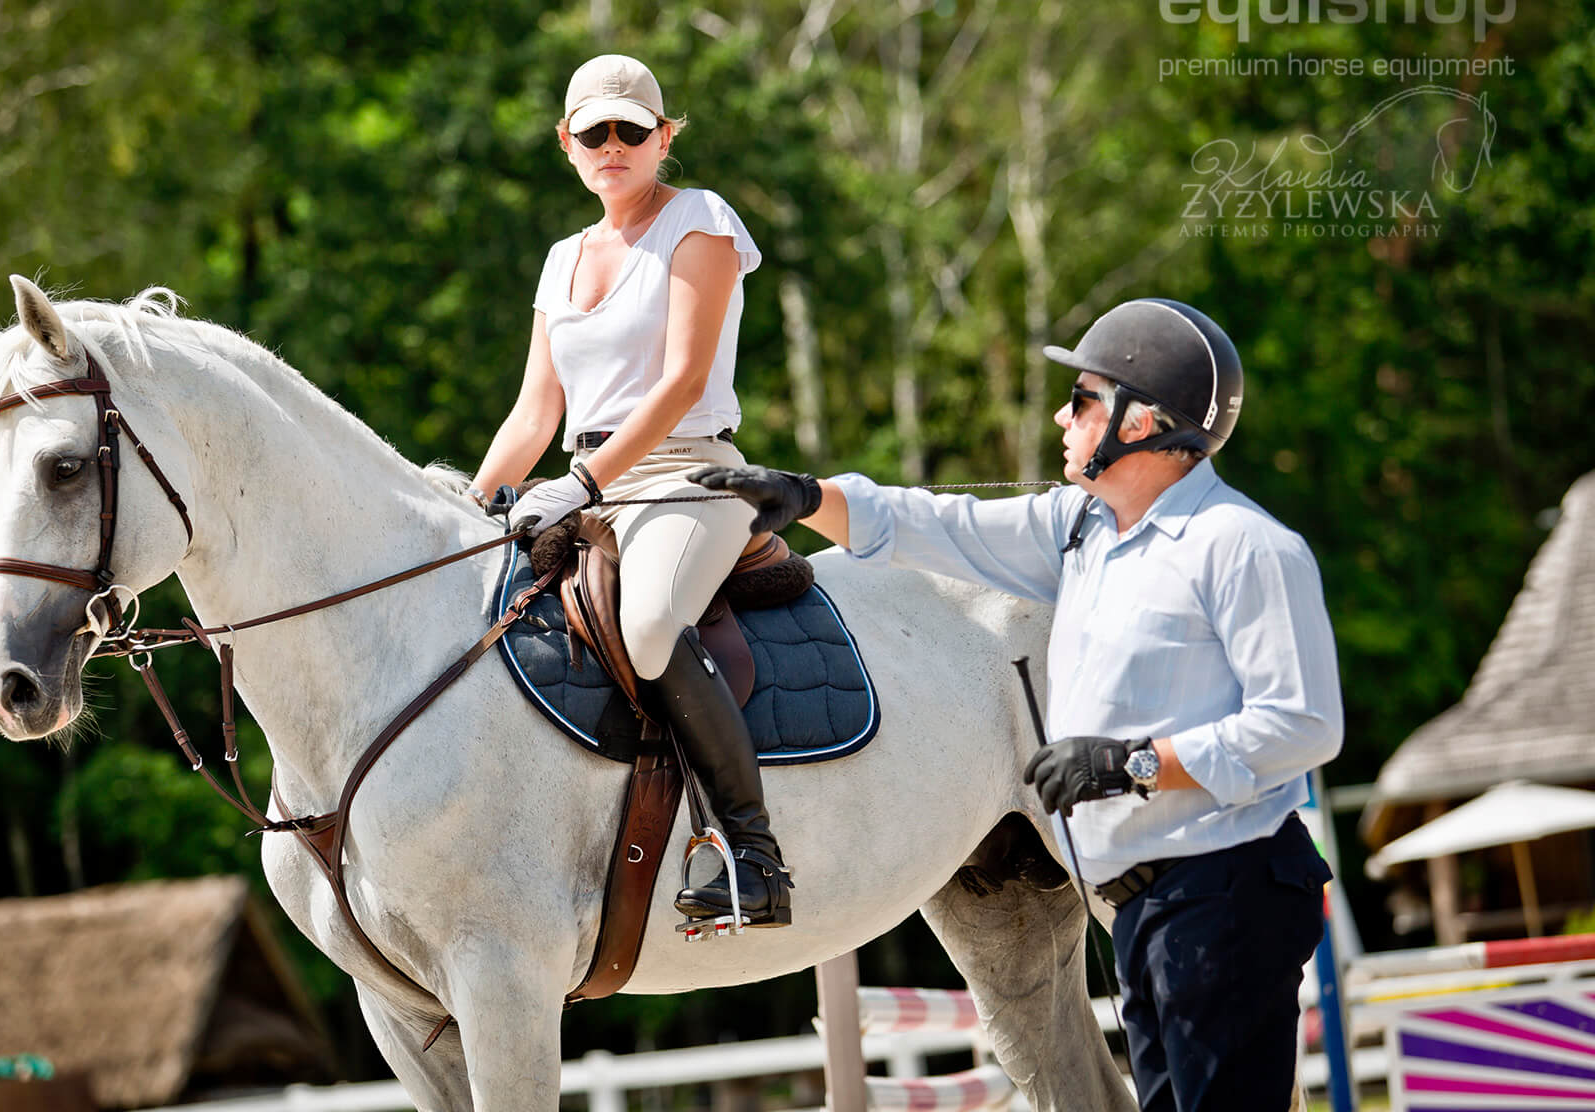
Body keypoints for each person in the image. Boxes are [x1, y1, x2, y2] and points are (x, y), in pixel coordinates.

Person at [693, 298, 1343, 1111]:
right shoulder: (1082, 529)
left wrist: (1134, 763)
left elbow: (1303, 724)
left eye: (1082, 400)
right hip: (1146, 902)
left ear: (1140, 422)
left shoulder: (1246, 546)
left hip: (1228, 888)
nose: (1064, 419)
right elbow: (940, 525)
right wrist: (806, 495)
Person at [468, 54, 793, 928]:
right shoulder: (561, 258)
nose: (612, 145)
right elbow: (534, 413)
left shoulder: (699, 220)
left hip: (688, 475)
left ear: (664, 137)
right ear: (565, 143)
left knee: (649, 623)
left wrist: (580, 482)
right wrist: (472, 506)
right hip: (582, 485)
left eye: (631, 130)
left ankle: (752, 855)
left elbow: (683, 381)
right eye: (594, 132)